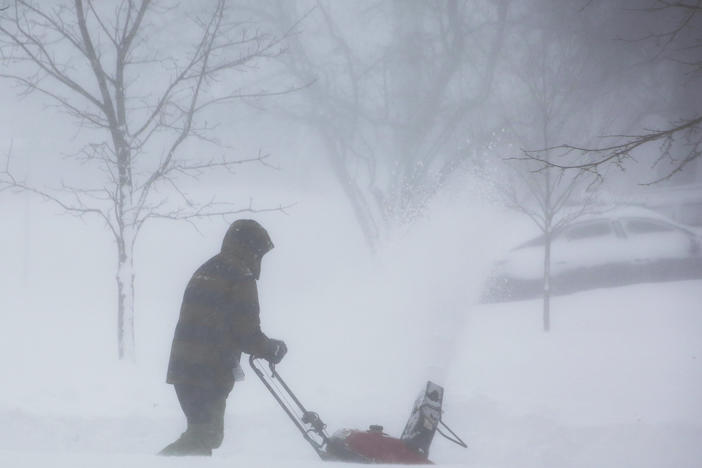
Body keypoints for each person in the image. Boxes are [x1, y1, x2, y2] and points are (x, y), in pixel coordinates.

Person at [159, 219, 287, 456]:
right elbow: (246, 331)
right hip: (208, 371)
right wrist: (270, 349)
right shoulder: (240, 275)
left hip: (184, 368)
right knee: (203, 437)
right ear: (252, 250)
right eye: (260, 253)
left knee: (202, 435)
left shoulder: (209, 268)